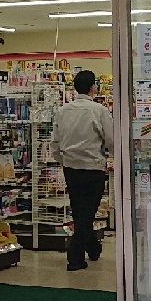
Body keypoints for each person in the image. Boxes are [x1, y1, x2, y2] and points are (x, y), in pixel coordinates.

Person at [52, 70, 113, 271]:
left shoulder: (62, 111)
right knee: (87, 212)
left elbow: (55, 142)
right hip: (93, 167)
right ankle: (75, 257)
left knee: (80, 210)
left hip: (71, 168)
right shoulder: (99, 111)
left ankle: (93, 248)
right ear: (92, 87)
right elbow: (111, 140)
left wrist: (63, 160)